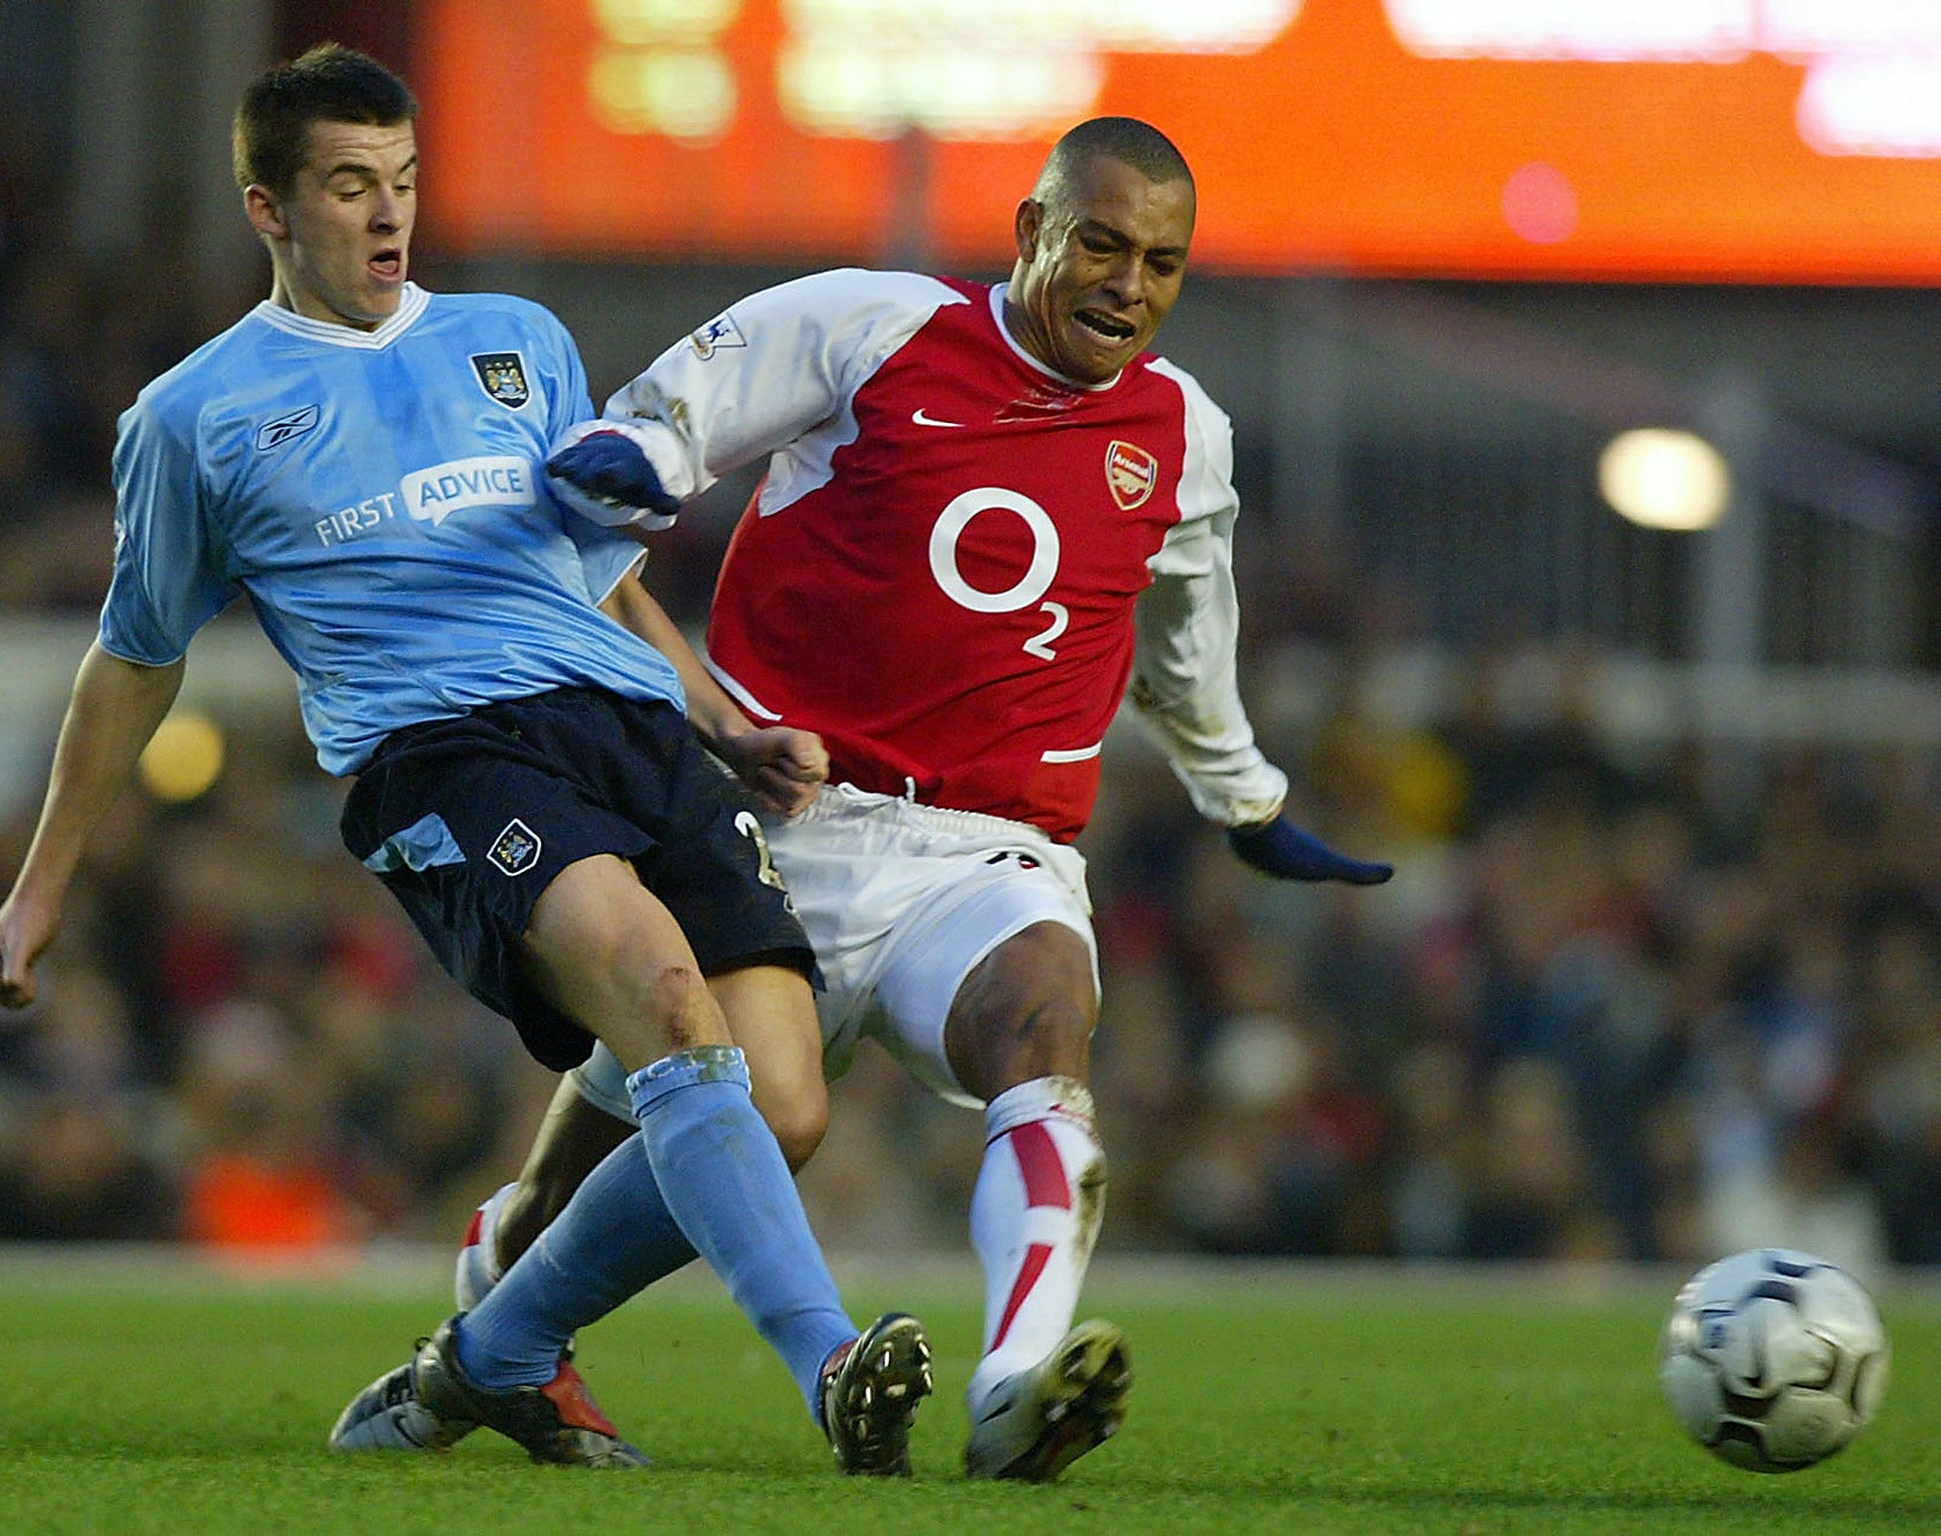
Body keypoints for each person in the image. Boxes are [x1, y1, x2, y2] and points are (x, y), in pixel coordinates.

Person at [342, 113, 1389, 1480]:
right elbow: (669, 422)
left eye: (1166, 265)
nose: (1131, 288)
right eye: (1105, 246)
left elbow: (1184, 642)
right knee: (580, 1194)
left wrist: (1243, 797)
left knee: (1045, 1026)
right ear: (1032, 233)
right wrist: (641, 463)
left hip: (992, 851)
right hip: (777, 821)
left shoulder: (1184, 434)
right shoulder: (872, 326)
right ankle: (499, 1314)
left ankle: (1015, 1384)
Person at [0, 42, 932, 1476]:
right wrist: (40, 888)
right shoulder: (194, 416)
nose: (388, 214)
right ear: (268, 207)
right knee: (668, 1001)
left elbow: (599, 568)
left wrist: (721, 718)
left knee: (781, 1104)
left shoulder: (519, 339)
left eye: (403, 181)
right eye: (350, 185)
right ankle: (832, 1365)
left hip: (627, 730)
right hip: (444, 758)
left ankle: (487, 1355)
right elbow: (135, 656)